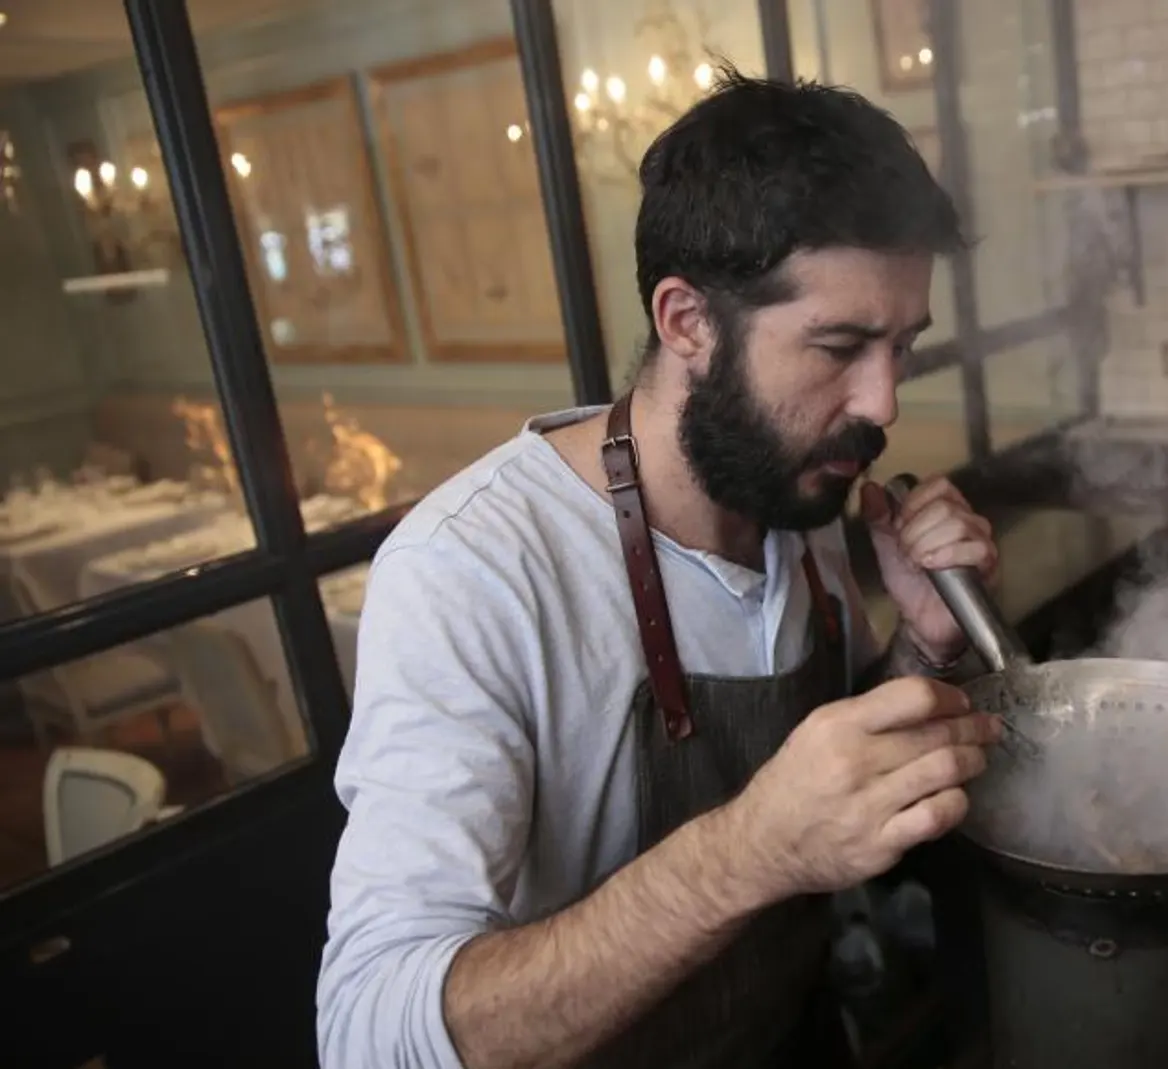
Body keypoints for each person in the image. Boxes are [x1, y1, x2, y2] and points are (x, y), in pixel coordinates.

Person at [316, 68, 1003, 1069]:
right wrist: (745, 852)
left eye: (901, 346)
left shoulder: (793, 491)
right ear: (685, 321)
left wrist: (924, 651)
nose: (882, 404)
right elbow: (372, 1035)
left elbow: (834, 791)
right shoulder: (468, 573)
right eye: (839, 345)